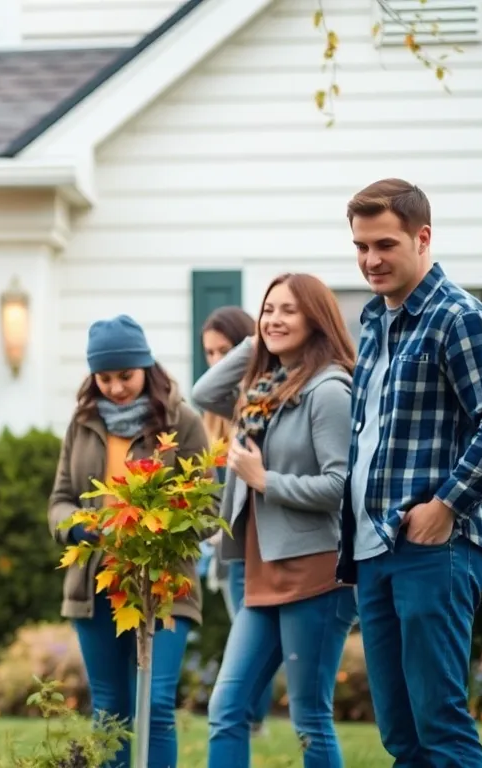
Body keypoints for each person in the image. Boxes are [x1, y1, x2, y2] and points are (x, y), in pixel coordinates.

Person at [339, 178, 482, 767]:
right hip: (374, 551)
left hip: (434, 548)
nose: (371, 259)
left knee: (440, 725)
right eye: (361, 246)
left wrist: (446, 505)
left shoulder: (458, 318)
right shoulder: (375, 324)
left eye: (386, 244)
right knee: (401, 734)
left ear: (423, 238)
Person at [193, 274, 359, 768]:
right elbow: (205, 390)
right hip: (262, 573)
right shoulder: (262, 391)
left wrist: (265, 481)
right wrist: (258, 337)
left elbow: (341, 487)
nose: (274, 319)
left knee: (309, 717)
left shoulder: (329, 391)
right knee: (226, 707)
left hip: (316, 576)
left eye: (289, 310)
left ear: (316, 318)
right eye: (269, 309)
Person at [46, 314, 210, 768]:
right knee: (109, 709)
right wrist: (81, 524)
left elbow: (208, 512)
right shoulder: (82, 424)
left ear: (147, 368)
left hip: (164, 585)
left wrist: (148, 525)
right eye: (105, 377)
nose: (116, 387)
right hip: (97, 586)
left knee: (155, 706)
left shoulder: (183, 423)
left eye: (126, 376)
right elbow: (59, 500)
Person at [197, 306, 277, 735]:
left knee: (253, 636)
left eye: (223, 351)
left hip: (262, 541)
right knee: (242, 632)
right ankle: (247, 717)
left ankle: (250, 718)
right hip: (226, 546)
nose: (215, 361)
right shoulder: (212, 416)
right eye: (209, 352)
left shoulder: (259, 400)